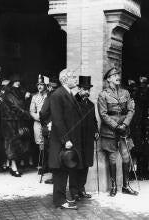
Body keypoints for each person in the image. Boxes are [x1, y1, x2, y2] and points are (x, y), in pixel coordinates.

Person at [98, 67, 138, 197]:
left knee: (126, 156)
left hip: (124, 130)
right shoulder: (103, 94)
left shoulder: (125, 92)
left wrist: (125, 124)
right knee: (113, 158)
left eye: (118, 74)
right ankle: (114, 186)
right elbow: (103, 114)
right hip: (110, 131)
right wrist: (116, 126)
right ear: (108, 79)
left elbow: (131, 110)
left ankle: (126, 185)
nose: (117, 77)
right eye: (114, 75)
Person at [49, 69, 83, 209]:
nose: (76, 79)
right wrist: (66, 140)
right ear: (64, 79)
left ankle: (61, 199)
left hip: (68, 140)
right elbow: (57, 120)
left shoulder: (68, 93)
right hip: (62, 141)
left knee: (64, 169)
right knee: (60, 171)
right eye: (73, 77)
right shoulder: (58, 94)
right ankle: (60, 201)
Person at [1, 75, 32, 177]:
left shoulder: (18, 93)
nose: (18, 83)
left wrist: (26, 99)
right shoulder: (8, 94)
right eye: (16, 81)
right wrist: (26, 113)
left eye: (19, 81)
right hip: (10, 122)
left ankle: (13, 166)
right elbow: (15, 107)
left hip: (17, 121)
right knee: (12, 143)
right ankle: (13, 167)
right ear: (12, 83)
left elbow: (21, 106)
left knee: (18, 143)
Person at [74, 76, 99, 200]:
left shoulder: (90, 104)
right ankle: (74, 191)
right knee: (76, 165)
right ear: (79, 89)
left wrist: (96, 131)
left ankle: (81, 189)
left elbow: (94, 120)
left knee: (86, 165)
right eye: (85, 89)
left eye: (89, 89)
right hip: (77, 140)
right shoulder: (73, 102)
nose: (87, 92)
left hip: (88, 140)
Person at [39, 76, 59, 184]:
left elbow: (42, 112)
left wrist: (44, 124)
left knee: (51, 151)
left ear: (50, 86)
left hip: (50, 127)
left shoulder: (50, 96)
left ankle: (54, 176)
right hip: (61, 128)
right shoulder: (62, 94)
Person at [30, 75, 48, 173]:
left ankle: (48, 165)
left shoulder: (49, 96)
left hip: (48, 123)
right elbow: (32, 111)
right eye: (38, 84)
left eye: (42, 84)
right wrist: (37, 117)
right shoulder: (35, 97)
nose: (40, 86)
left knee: (48, 144)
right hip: (38, 123)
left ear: (46, 85)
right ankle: (41, 166)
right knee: (40, 144)